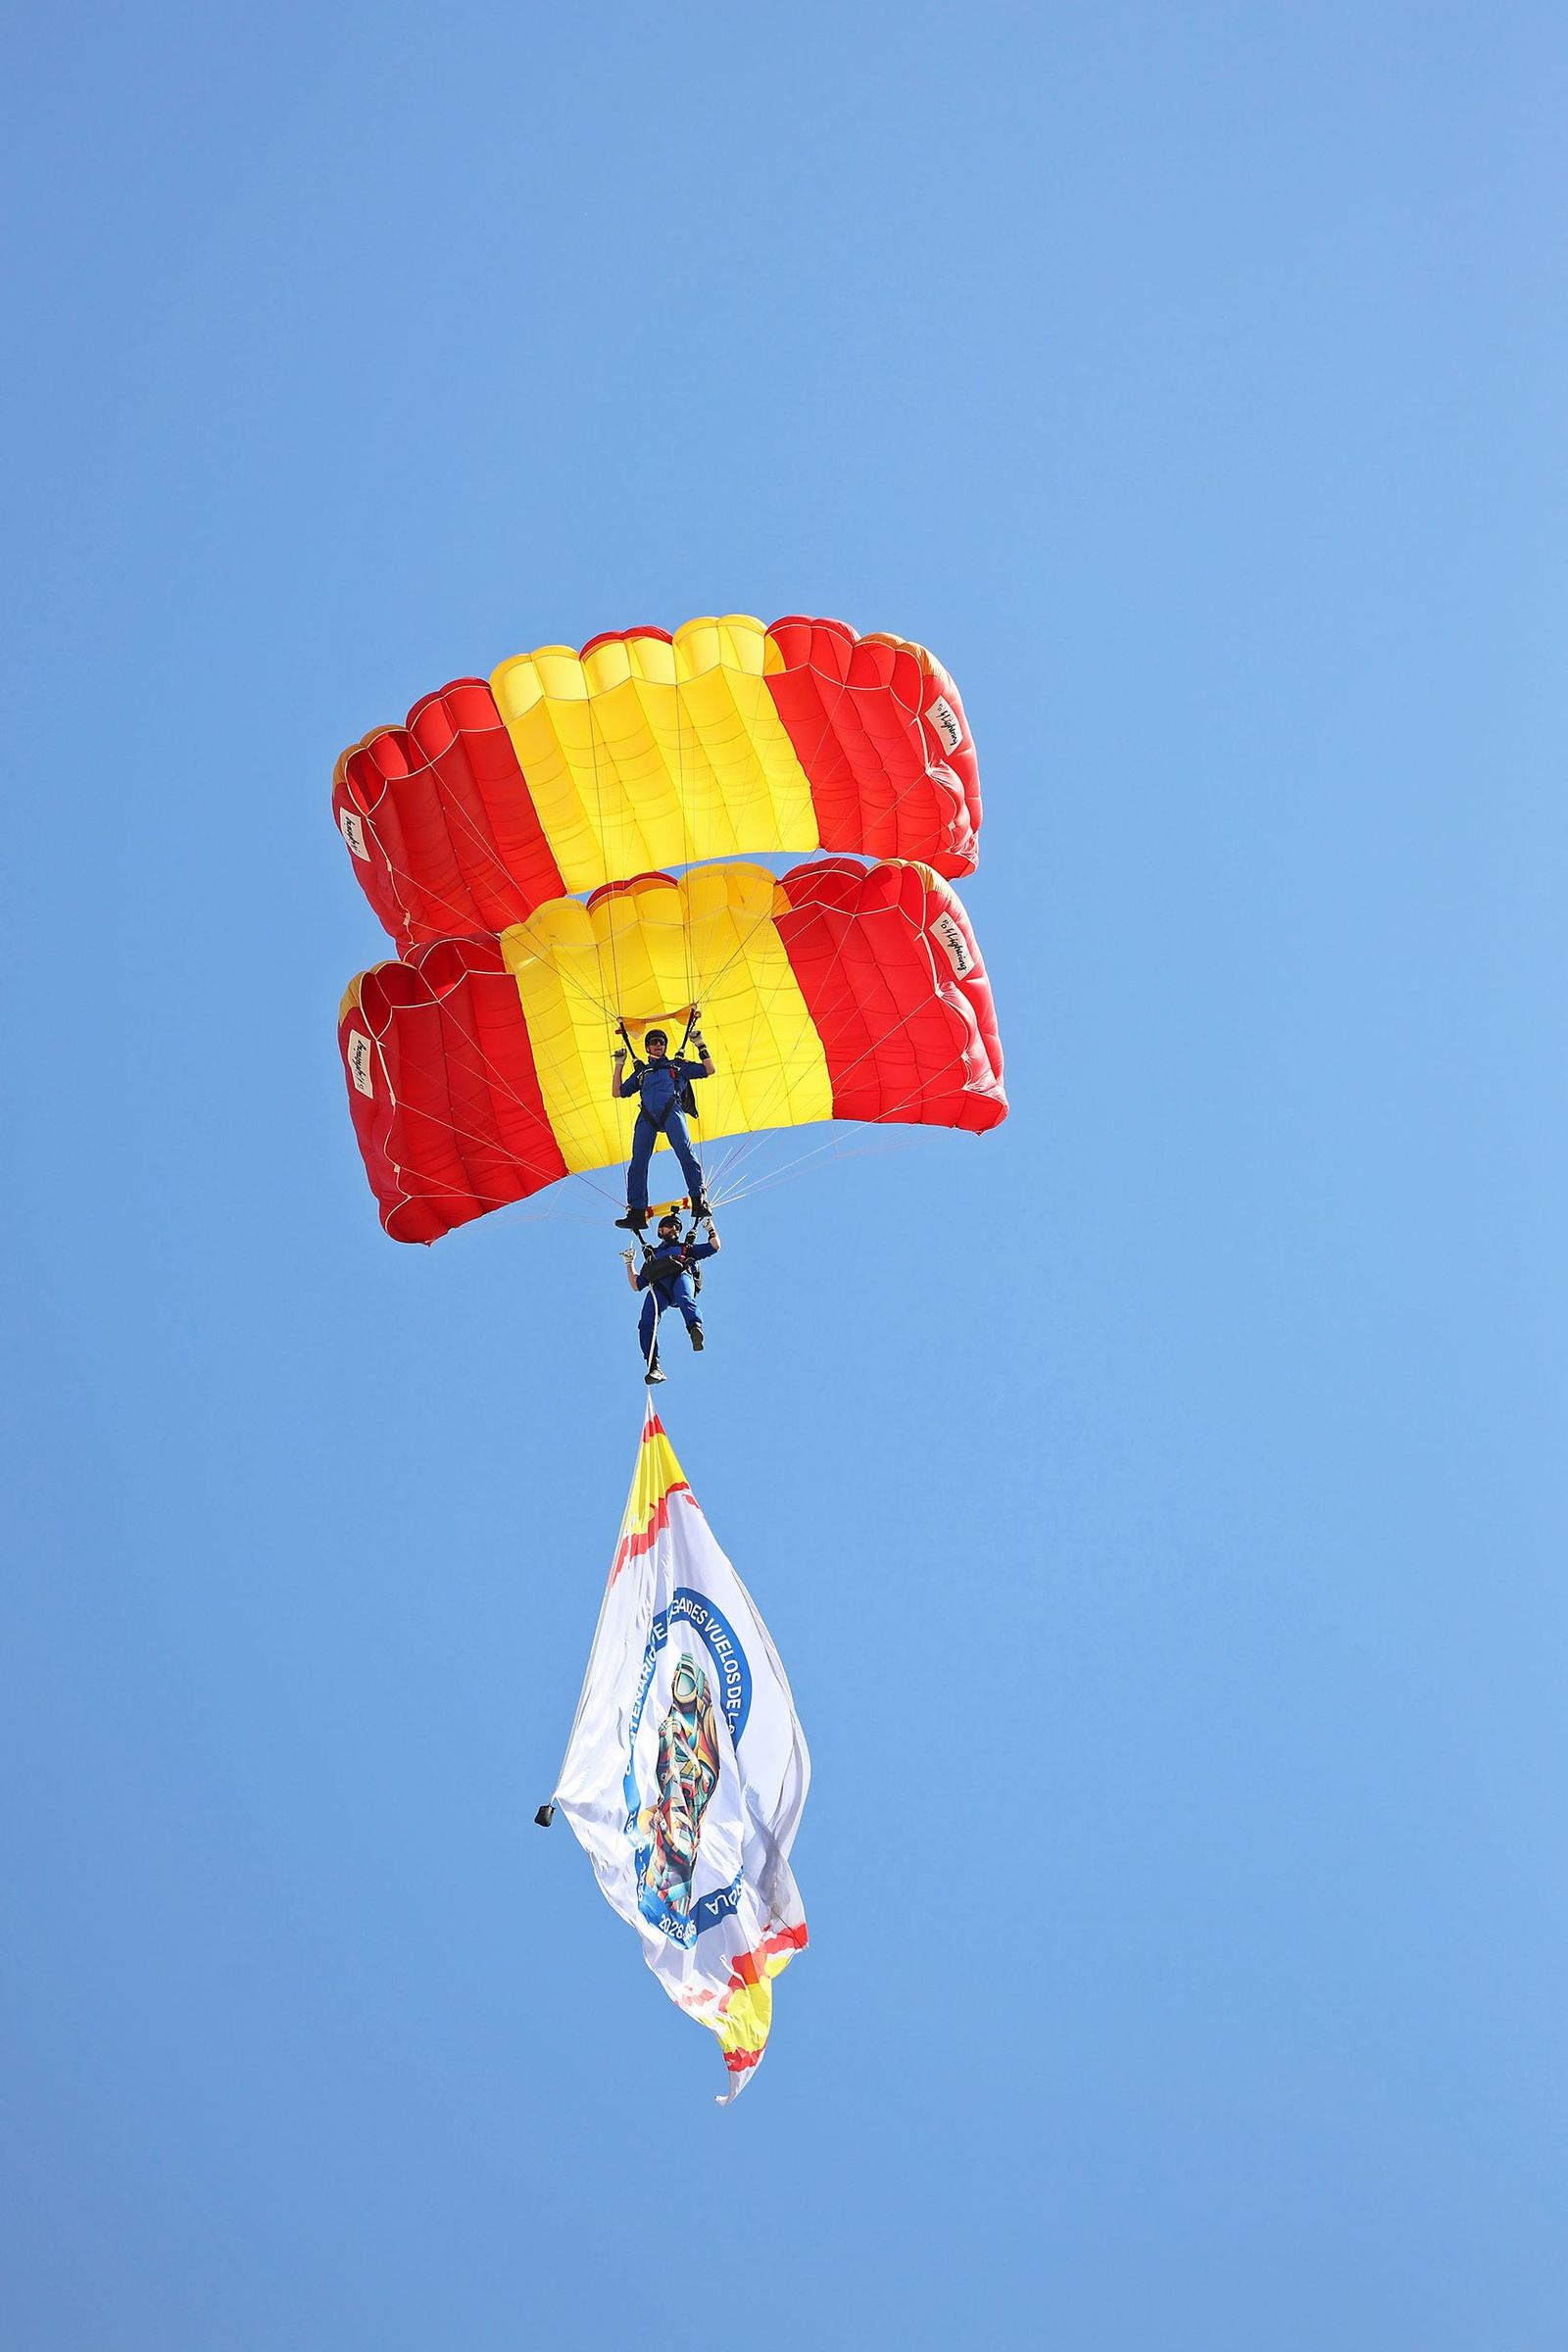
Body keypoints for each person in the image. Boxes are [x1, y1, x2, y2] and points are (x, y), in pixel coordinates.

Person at [612, 1019, 715, 1231]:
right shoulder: (642, 1072)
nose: (659, 1045)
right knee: (638, 1162)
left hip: (672, 1111)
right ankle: (637, 1214)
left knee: (685, 1153)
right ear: (648, 1047)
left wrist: (701, 1045)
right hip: (647, 1117)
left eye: (662, 1042)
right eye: (654, 1042)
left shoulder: (677, 1066)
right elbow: (618, 1091)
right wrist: (619, 1064)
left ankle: (698, 1200)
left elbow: (709, 1070)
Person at [622, 1210, 720, 1384]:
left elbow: (714, 1246)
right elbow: (636, 1285)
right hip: (660, 1288)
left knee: (684, 1298)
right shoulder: (652, 1257)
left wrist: (711, 1229)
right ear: (660, 1231)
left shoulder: (686, 1248)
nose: (674, 1228)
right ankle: (654, 1367)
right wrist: (629, 1263)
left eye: (677, 1226)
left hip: (681, 1276)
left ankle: (695, 1329)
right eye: (670, 1225)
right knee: (646, 1322)